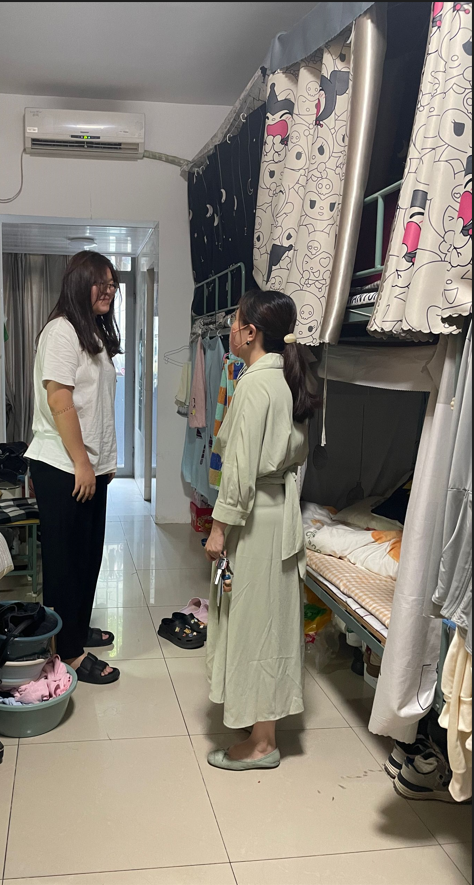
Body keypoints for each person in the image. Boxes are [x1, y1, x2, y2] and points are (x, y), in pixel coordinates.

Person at [204, 289, 320, 770]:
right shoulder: (287, 377)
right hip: (277, 513)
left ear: (250, 332)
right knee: (266, 619)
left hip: (255, 518)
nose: (230, 329)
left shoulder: (255, 385)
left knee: (256, 624)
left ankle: (263, 743)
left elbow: (238, 471)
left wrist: (218, 530)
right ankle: (259, 721)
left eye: (234, 322)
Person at [27, 251, 121, 685]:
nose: (109, 290)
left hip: (89, 465)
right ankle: (68, 653)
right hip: (63, 465)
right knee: (66, 562)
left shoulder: (92, 332)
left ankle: (76, 629)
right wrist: (83, 462)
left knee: (88, 557)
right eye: (101, 282)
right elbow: (59, 399)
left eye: (112, 283)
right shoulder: (61, 331)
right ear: (78, 283)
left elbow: (96, 405)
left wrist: (105, 461)